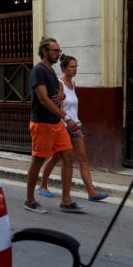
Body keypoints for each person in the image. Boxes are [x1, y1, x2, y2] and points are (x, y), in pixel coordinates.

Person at [37, 54, 109, 202]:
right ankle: (43, 186)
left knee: (83, 158)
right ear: (64, 68)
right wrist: (64, 108)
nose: (75, 69)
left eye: (76, 66)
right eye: (72, 67)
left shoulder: (73, 84)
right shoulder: (59, 84)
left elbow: (73, 107)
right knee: (55, 158)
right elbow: (57, 104)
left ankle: (91, 192)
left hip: (75, 126)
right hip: (63, 127)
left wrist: (75, 122)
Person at [24, 38, 84, 214]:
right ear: (44, 52)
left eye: (58, 50)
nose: (58, 53)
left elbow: (57, 86)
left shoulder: (50, 70)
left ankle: (66, 201)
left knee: (68, 158)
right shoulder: (38, 70)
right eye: (55, 50)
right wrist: (66, 117)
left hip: (56, 123)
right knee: (38, 161)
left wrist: (60, 94)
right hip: (42, 123)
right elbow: (43, 99)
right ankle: (29, 200)